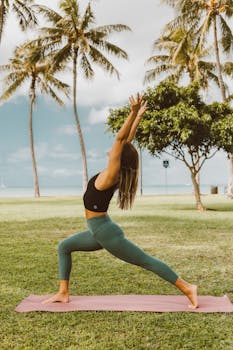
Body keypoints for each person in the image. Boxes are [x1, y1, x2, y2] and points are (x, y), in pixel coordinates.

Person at [44, 93, 198, 309]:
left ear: (119, 156)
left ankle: (187, 287)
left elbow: (120, 140)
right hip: (99, 229)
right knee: (64, 247)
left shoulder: (111, 175)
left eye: (118, 149)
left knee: (146, 261)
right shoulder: (112, 171)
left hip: (104, 232)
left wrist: (133, 111)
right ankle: (63, 292)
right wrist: (138, 118)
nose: (115, 146)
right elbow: (126, 140)